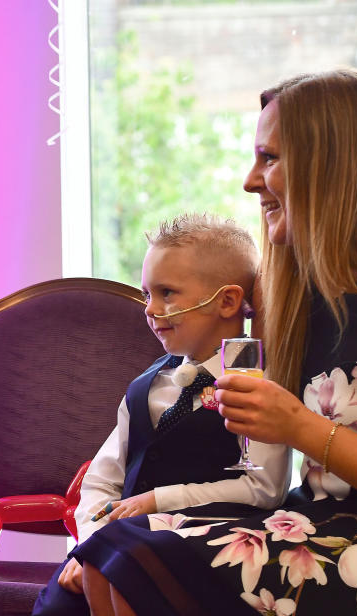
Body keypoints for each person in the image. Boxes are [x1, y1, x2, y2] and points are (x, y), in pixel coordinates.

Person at [71, 68, 357, 616]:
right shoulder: (284, 295)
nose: (250, 180)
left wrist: (297, 425)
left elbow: (290, 438)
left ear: (331, 167)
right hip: (301, 524)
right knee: (108, 554)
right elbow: (249, 463)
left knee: (130, 562)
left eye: (269, 158)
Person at [32, 214, 290, 615]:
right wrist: (92, 547)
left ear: (227, 301)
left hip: (199, 550)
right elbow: (102, 480)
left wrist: (159, 500)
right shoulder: (146, 387)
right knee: (59, 607)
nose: (150, 309)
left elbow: (265, 488)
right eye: (146, 293)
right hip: (116, 549)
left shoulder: (262, 385)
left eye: (167, 293)